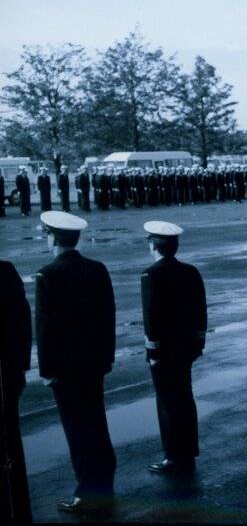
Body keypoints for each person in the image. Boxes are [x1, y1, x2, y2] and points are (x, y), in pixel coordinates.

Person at [35, 211, 117, 513]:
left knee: (77, 430)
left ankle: (87, 493)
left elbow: (44, 329)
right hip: (93, 363)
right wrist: (106, 357)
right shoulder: (96, 269)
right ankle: (104, 486)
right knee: (96, 423)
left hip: (65, 369)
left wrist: (47, 370)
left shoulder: (48, 274)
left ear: (53, 237)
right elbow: (108, 316)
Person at [141, 221, 208, 475]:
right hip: (186, 348)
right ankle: (188, 452)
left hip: (165, 351)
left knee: (168, 403)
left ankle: (173, 456)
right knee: (185, 399)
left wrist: (153, 352)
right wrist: (198, 342)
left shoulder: (151, 274)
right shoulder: (190, 271)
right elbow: (200, 310)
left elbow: (151, 318)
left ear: (152, 245)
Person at [1, 259, 32, 523]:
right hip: (7, 375)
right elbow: (22, 322)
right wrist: (21, 367)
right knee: (12, 444)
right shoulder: (5, 271)